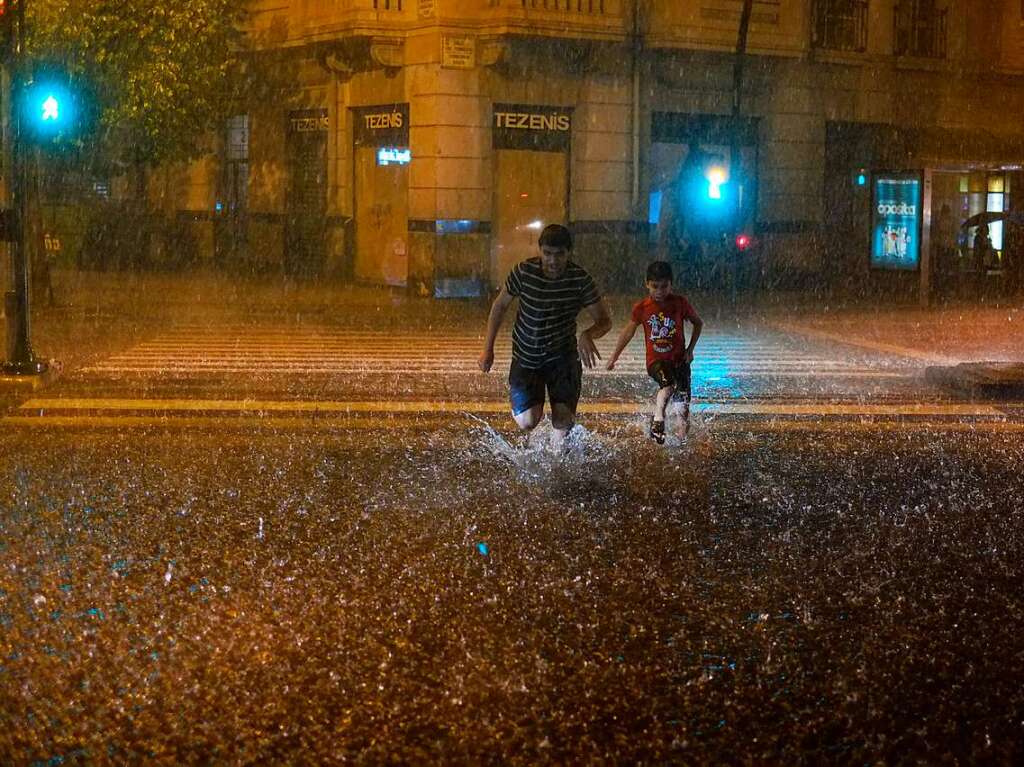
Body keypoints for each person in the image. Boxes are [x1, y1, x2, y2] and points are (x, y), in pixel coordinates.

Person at [478, 224, 612, 451]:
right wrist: (487, 348)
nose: (553, 260)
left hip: (563, 359)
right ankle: (534, 421)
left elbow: (604, 320)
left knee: (562, 421)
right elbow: (499, 306)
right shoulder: (524, 272)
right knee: (528, 421)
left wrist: (588, 334)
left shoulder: (580, 279)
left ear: (569, 253)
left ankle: (557, 466)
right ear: (540, 250)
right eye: (547, 253)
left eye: (559, 254)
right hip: (526, 358)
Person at [605, 260, 703, 444]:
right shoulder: (642, 308)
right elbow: (628, 331)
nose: (659, 292)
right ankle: (658, 420)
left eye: (664, 286)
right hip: (656, 361)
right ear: (646, 284)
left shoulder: (680, 303)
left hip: (680, 361)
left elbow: (698, 323)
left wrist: (690, 349)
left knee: (683, 412)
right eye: (654, 286)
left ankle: (680, 443)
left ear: (671, 284)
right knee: (668, 385)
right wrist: (614, 357)